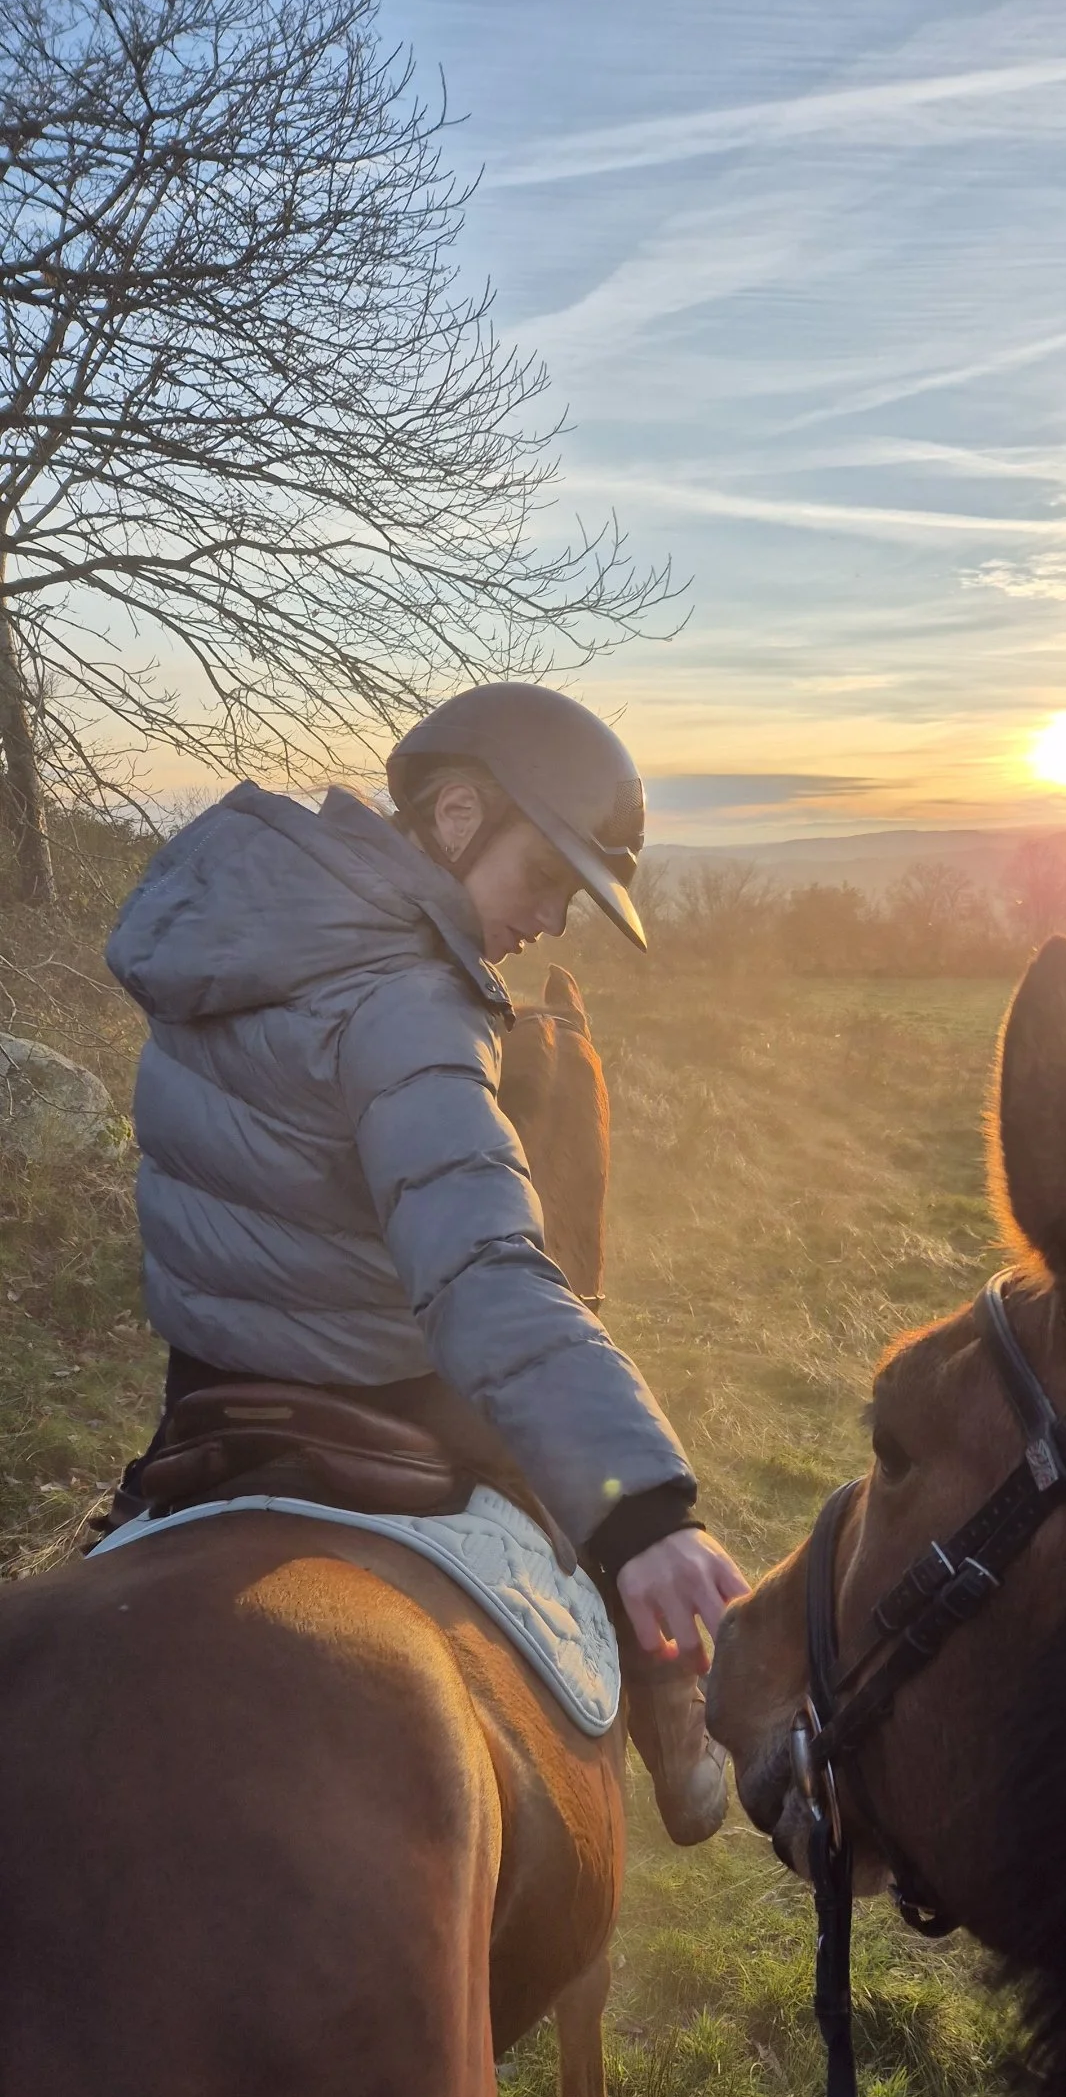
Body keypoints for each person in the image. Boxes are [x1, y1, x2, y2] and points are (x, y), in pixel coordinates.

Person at [105, 682, 748, 1843]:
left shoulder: (241, 925)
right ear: (456, 815)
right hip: (379, 1373)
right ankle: (671, 1711)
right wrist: (647, 1514)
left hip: (204, 1378)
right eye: (544, 880)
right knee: (561, 1474)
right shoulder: (409, 995)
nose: (549, 920)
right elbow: (483, 1270)